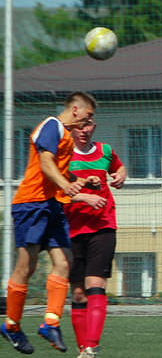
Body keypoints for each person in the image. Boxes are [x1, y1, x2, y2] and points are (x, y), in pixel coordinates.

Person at [1, 92, 97, 355]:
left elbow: (59, 169)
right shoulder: (52, 125)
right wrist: (68, 186)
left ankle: (50, 323)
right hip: (31, 204)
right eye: (87, 116)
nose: (88, 123)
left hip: (53, 206)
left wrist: (80, 180)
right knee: (26, 267)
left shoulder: (65, 134)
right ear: (75, 109)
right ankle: (11, 326)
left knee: (65, 262)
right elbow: (45, 163)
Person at [65, 120, 126, 358]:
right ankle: (83, 349)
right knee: (78, 293)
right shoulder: (61, 157)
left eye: (88, 125)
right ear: (71, 126)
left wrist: (120, 176)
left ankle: (91, 348)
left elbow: (119, 168)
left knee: (95, 284)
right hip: (71, 230)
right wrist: (84, 198)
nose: (84, 130)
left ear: (94, 126)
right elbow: (55, 194)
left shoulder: (106, 151)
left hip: (103, 226)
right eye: (79, 125)